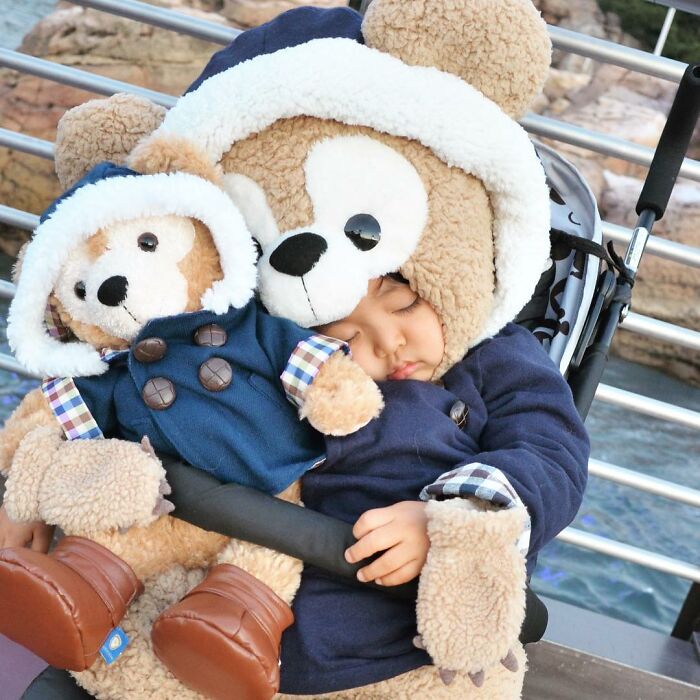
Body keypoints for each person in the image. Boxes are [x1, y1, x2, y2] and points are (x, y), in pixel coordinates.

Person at [278, 273, 589, 694]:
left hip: (426, 653)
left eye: (404, 304)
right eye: (346, 337)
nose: (389, 342)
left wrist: (454, 518)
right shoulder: (304, 373)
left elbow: (551, 455)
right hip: (274, 624)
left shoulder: (493, 352)